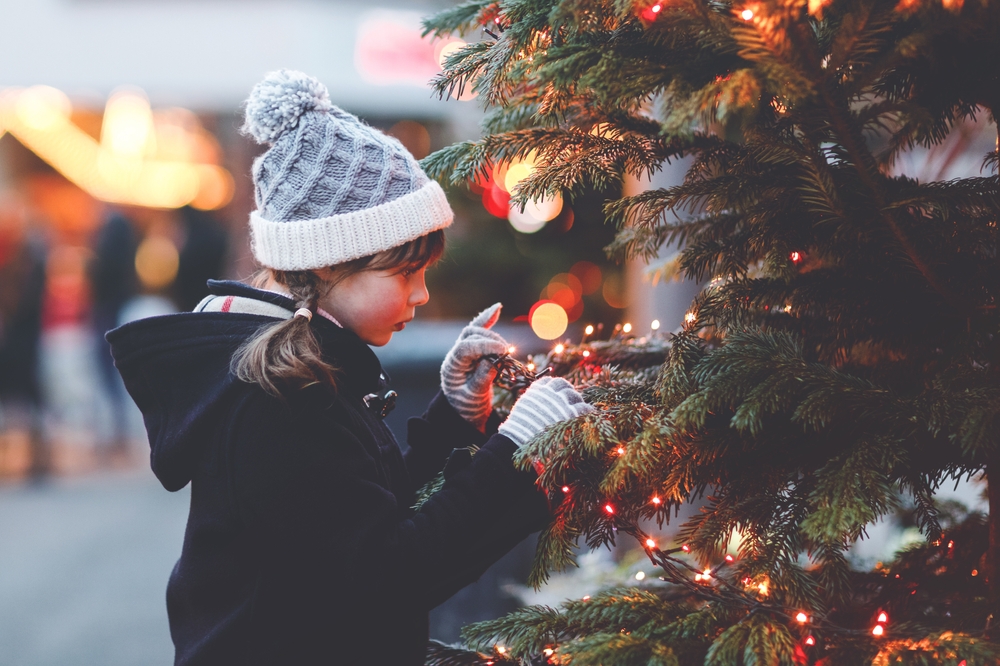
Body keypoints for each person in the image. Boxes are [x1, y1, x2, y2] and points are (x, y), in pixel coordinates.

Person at [106, 70, 592, 666]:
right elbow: (388, 574)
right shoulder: (277, 400)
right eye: (405, 273)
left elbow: (358, 516)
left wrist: (454, 421)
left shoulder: (300, 370)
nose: (421, 295)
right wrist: (516, 451)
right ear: (328, 263)